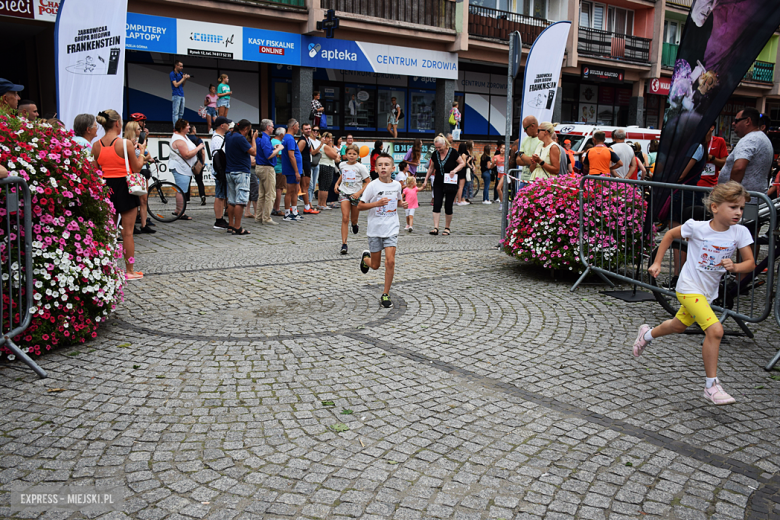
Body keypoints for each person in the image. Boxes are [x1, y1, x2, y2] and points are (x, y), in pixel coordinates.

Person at [639, 181, 755, 406]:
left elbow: (750, 262)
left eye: (741, 208)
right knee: (715, 330)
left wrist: (735, 267)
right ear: (715, 207)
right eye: (733, 207)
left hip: (707, 292)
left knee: (678, 325)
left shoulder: (740, 232)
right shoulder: (697, 227)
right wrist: (657, 262)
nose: (738, 212)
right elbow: (669, 236)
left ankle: (646, 335)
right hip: (688, 287)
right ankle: (711, 386)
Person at [91, 109, 144, 280]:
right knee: (127, 232)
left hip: (106, 186)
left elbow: (94, 170)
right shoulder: (125, 143)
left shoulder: (96, 144)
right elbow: (136, 168)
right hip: (124, 185)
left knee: (109, 231)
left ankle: (108, 268)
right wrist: (141, 153)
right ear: (117, 124)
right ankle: (129, 270)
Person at [358, 152, 408, 309]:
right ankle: (366, 258)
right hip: (375, 229)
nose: (383, 167)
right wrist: (376, 204)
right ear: (375, 168)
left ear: (393, 168)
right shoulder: (372, 186)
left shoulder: (397, 185)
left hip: (391, 227)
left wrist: (402, 205)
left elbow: (397, 201)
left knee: (390, 261)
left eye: (386, 164)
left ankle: (385, 293)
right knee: (375, 265)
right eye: (380, 165)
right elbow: (360, 206)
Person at [718, 107, 774, 205]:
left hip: (742, 202)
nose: (733, 123)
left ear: (748, 121)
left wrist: (729, 193)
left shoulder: (750, 139)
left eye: (736, 121)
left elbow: (739, 167)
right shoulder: (761, 137)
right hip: (751, 200)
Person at [422, 134, 465, 236]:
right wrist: (425, 180)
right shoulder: (435, 154)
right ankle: (436, 227)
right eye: (436, 147)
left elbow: (462, 163)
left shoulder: (453, 152)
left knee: (448, 205)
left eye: (440, 147)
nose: (438, 149)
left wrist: (454, 170)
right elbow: (431, 168)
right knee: (437, 204)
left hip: (451, 181)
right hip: (438, 181)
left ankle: (447, 228)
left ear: (444, 144)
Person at [334, 143, 370, 253]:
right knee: (345, 218)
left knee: (353, 219)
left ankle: (355, 224)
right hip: (344, 192)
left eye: (354, 154)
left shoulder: (361, 167)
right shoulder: (342, 165)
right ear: (345, 155)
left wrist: (359, 193)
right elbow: (342, 175)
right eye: (349, 153)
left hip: (355, 194)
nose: (351, 156)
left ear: (358, 156)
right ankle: (344, 244)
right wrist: (337, 184)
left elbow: (368, 182)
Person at [225, 119, 258, 235]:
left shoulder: (229, 135)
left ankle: (230, 225)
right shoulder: (240, 138)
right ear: (245, 129)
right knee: (240, 201)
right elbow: (253, 152)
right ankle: (237, 227)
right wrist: (253, 138)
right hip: (241, 172)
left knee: (232, 200)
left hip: (229, 171)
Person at [124, 121, 156, 235]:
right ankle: (132, 226)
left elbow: (148, 155)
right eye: (138, 129)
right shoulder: (127, 143)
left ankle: (144, 224)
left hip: (142, 172)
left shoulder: (141, 142)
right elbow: (139, 157)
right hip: (133, 173)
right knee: (134, 201)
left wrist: (143, 157)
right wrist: (143, 157)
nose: (140, 131)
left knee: (144, 200)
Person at [169, 119, 203, 221]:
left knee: (181, 189)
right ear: (182, 128)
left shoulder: (183, 136)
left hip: (184, 168)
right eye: (187, 126)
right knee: (181, 190)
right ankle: (180, 212)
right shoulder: (179, 140)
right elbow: (187, 155)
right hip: (181, 168)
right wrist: (198, 148)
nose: (189, 127)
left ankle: (177, 209)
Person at [255, 119, 282, 225]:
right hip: (267, 168)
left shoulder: (259, 138)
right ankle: (266, 217)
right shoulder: (266, 139)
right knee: (270, 194)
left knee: (262, 194)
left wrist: (273, 148)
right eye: (272, 126)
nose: (273, 128)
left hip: (259, 167)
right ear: (267, 127)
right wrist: (278, 148)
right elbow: (269, 155)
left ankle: (259, 216)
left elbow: (264, 151)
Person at [210, 116, 231, 230]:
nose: (228, 126)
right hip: (220, 171)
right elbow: (219, 156)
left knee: (221, 195)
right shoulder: (218, 139)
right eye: (227, 124)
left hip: (220, 170)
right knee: (220, 195)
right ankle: (218, 219)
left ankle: (220, 218)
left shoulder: (218, 137)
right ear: (222, 125)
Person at [282, 119, 303, 222]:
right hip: (292, 170)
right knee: (290, 191)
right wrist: (296, 171)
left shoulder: (288, 138)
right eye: (298, 126)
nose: (298, 128)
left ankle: (294, 212)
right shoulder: (289, 139)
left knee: (295, 191)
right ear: (293, 126)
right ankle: (287, 213)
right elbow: (291, 156)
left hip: (293, 170)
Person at [298, 123, 319, 215]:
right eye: (306, 129)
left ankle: (306, 206)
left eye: (309, 128)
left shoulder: (308, 140)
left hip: (307, 165)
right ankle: (307, 207)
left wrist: (321, 144)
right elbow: (297, 154)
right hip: (303, 165)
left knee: (306, 187)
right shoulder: (302, 141)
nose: (309, 130)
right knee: (305, 187)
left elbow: (313, 152)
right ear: (302, 130)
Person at [317, 132, 339, 211]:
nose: (330, 140)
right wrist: (333, 148)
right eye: (328, 138)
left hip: (324, 166)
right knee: (325, 187)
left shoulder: (321, 145)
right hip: (327, 166)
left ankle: (320, 204)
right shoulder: (325, 146)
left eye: (331, 138)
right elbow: (335, 156)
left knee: (321, 186)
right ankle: (323, 204)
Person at [517, 116, 541, 189]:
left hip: (535, 180)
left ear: (533, 126)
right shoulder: (525, 139)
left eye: (525, 128)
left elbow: (537, 161)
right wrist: (531, 160)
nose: (524, 131)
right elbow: (518, 161)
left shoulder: (541, 140)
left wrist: (522, 155)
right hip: (524, 179)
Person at [187, 125, 208, 206]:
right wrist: (202, 162)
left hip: (187, 163)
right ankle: (202, 196)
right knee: (199, 181)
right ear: (193, 130)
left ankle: (186, 198)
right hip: (197, 163)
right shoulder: (198, 140)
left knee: (187, 181)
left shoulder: (186, 139)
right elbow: (202, 152)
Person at [272, 126, 287, 216]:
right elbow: (281, 156)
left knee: (274, 189)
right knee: (279, 188)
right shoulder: (279, 143)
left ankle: (274, 207)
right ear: (281, 134)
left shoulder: (271, 141)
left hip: (273, 168)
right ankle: (277, 208)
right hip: (279, 168)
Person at [308, 126, 323, 207]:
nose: (315, 132)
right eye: (314, 130)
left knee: (314, 185)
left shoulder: (317, 141)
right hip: (310, 163)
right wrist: (320, 145)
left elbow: (318, 152)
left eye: (317, 130)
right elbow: (313, 152)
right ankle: (309, 202)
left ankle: (309, 201)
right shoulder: (309, 140)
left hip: (316, 163)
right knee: (310, 185)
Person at [170, 61, 189, 127]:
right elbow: (176, 85)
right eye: (180, 66)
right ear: (176, 66)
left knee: (181, 113)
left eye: (182, 66)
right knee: (176, 113)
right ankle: (175, 127)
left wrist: (185, 79)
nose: (182, 67)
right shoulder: (172, 74)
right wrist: (183, 78)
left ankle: (180, 127)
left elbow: (182, 85)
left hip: (182, 94)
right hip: (176, 95)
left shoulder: (180, 73)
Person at [455, 141, 473, 205]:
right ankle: (460, 201)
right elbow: (464, 164)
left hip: (458, 171)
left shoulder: (457, 154)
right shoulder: (463, 154)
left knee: (457, 186)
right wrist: (467, 159)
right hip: (462, 171)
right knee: (461, 187)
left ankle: (455, 201)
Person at [494, 143, 507, 209]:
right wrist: (493, 163)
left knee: (498, 188)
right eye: (501, 148)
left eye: (504, 148)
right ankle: (505, 203)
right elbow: (490, 166)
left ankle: (502, 203)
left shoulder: (508, 157)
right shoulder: (496, 157)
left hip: (505, 175)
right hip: (499, 174)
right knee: (501, 189)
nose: (502, 149)